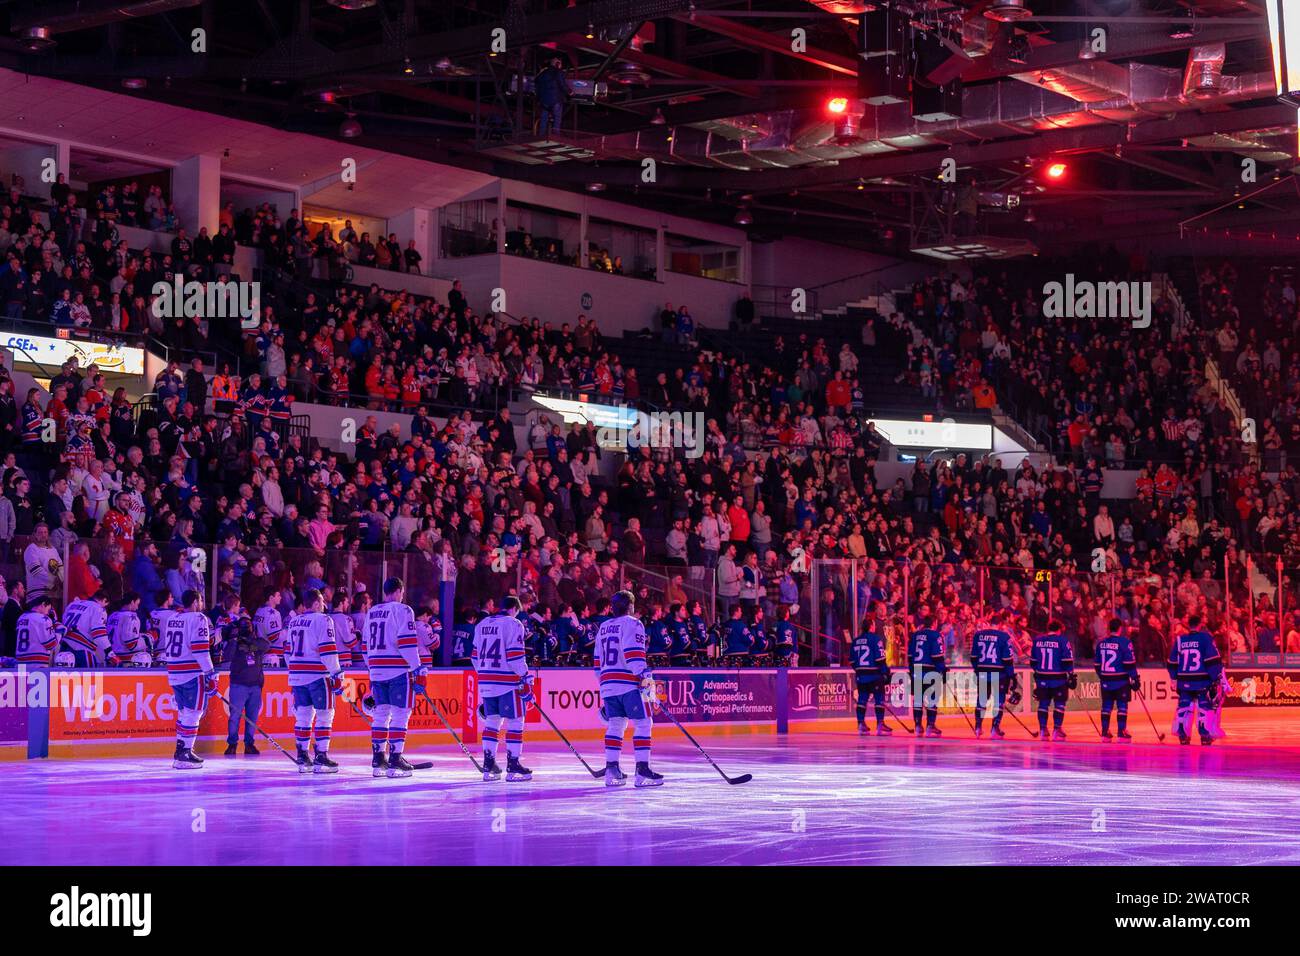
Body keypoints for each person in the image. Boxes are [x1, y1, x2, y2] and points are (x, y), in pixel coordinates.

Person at [595, 589, 663, 788]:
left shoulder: (603, 627)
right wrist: (645, 679)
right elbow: (633, 655)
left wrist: (606, 683)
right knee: (643, 723)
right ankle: (642, 771)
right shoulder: (634, 623)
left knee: (615, 724)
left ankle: (611, 770)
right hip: (628, 683)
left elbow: (597, 663)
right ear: (631, 606)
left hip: (607, 683)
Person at [363, 577, 425, 778]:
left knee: (380, 714)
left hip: (377, 670)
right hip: (398, 670)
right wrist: (417, 668)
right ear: (399, 591)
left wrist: (373, 667)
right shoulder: (403, 610)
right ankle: (396, 759)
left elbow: (365, 646)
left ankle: (378, 758)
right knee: (400, 714)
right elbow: (407, 643)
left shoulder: (371, 612)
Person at [471, 594, 532, 782]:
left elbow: (474, 656)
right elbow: (515, 657)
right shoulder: (514, 624)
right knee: (515, 721)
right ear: (514, 609)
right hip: (507, 683)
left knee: (492, 722)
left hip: (486, 682)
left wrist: (485, 673)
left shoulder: (481, 624)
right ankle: (513, 766)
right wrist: (525, 676)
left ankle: (489, 766)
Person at [285, 588, 343, 773]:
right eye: (322, 602)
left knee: (303, 715)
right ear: (316, 603)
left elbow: (287, 652)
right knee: (325, 714)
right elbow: (328, 651)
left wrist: (296, 669)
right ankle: (321, 757)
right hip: (318, 675)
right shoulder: (324, 619)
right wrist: (336, 673)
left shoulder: (294, 621)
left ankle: (302, 757)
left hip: (297, 676)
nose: (324, 605)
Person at [159, 589, 217, 769]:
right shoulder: (199, 618)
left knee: (184, 712)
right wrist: (210, 673)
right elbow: (200, 649)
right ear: (194, 602)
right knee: (194, 713)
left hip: (174, 672)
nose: (201, 604)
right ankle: (185, 752)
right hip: (192, 672)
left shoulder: (172, 618)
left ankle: (180, 750)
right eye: (200, 600)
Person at [1167, 613, 1223, 746]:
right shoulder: (1205, 638)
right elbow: (1212, 660)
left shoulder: (1180, 640)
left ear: (1188, 625)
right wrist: (1215, 678)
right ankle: (1204, 735)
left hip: (1184, 680)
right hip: (1201, 680)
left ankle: (1182, 734)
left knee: (1184, 706)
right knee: (1204, 706)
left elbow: (1171, 662)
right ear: (1200, 625)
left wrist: (1174, 677)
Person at [224, 616, 267, 755]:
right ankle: (232, 744)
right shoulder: (235, 644)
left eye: (248, 625)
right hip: (239, 685)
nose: (247, 628)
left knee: (252, 718)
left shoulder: (256, 642)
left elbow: (266, 645)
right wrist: (234, 639)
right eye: (244, 626)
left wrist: (250, 641)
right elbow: (227, 655)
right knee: (234, 717)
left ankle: (249, 744)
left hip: (255, 686)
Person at [1094, 619, 1140, 742]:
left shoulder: (1101, 643)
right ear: (1120, 628)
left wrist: (1103, 676)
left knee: (1106, 706)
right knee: (1122, 706)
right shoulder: (1125, 642)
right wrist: (1135, 677)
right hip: (1121, 680)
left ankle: (1104, 732)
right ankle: (1121, 732)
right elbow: (1129, 663)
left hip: (1106, 680)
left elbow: (1097, 665)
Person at [970, 617, 1015, 739]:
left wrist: (977, 669)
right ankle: (995, 728)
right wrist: (1012, 675)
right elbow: (1007, 659)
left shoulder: (978, 635)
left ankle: (978, 727)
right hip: (999, 674)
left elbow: (973, 657)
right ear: (1000, 624)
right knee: (998, 702)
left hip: (983, 672)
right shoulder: (1004, 636)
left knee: (982, 701)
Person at [851, 602, 892, 736]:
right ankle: (880, 724)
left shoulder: (856, 640)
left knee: (862, 698)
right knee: (879, 699)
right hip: (874, 675)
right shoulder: (875, 639)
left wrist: (859, 670)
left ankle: (860, 724)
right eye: (873, 625)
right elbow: (880, 658)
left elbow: (852, 660)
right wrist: (885, 672)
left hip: (861, 675)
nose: (875, 627)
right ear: (871, 626)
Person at [1031, 620, 1075, 741]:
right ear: (1059, 630)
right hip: (1058, 678)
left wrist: (1038, 673)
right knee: (1060, 704)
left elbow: (1033, 662)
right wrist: (1071, 674)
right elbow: (1067, 660)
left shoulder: (1037, 641)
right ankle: (1057, 728)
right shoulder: (1062, 640)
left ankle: (1043, 729)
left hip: (1042, 678)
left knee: (1043, 704)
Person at [907, 612, 946, 737]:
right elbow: (937, 656)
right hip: (930, 670)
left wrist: (912, 670)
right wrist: (942, 670)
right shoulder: (936, 635)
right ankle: (930, 725)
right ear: (934, 624)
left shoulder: (915, 635)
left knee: (918, 700)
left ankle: (918, 726)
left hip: (917, 670)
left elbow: (909, 656)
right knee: (932, 700)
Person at [60, 592, 115, 668]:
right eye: (106, 605)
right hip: (83, 648)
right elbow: (99, 634)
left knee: (62, 677)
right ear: (104, 600)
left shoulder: (72, 604)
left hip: (64, 647)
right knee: (89, 678)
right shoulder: (98, 609)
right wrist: (109, 651)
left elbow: (63, 622)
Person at [15, 594, 59, 667]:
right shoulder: (43, 619)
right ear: (43, 604)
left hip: (20, 663)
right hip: (37, 664)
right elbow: (51, 644)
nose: (48, 613)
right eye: (48, 609)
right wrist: (59, 632)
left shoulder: (21, 617)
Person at [108, 592, 147, 664]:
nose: (137, 608)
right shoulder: (131, 617)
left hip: (113, 657)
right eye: (137, 604)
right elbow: (131, 644)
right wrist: (146, 640)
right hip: (127, 659)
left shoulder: (112, 615)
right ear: (132, 602)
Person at [535, 57, 569, 137]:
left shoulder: (543, 72)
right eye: (560, 63)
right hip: (555, 100)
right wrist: (569, 92)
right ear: (557, 64)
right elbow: (562, 85)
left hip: (544, 100)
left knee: (544, 118)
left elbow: (537, 82)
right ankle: (556, 136)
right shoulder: (559, 72)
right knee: (557, 119)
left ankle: (541, 136)